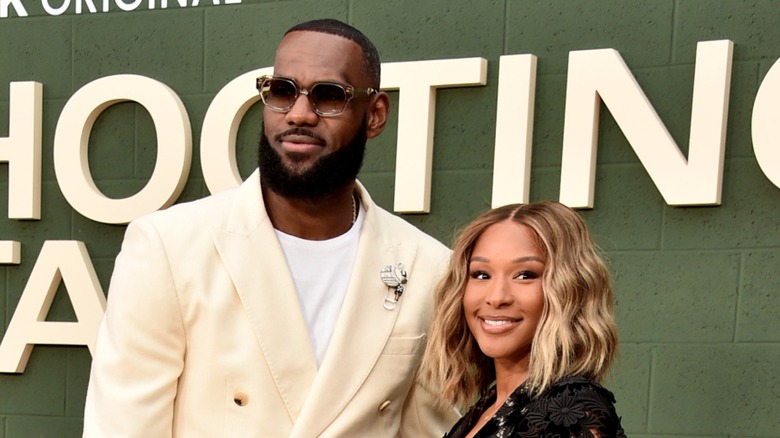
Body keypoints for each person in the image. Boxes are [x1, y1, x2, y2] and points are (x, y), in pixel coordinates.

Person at [83, 18, 458, 437]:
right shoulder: (168, 246)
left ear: (375, 115)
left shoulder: (428, 267)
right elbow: (123, 426)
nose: (299, 114)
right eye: (282, 91)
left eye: (328, 96)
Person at [422, 201, 625, 437]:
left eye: (525, 275)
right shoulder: (489, 407)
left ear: (570, 289)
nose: (496, 297)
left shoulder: (572, 412)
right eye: (481, 274)